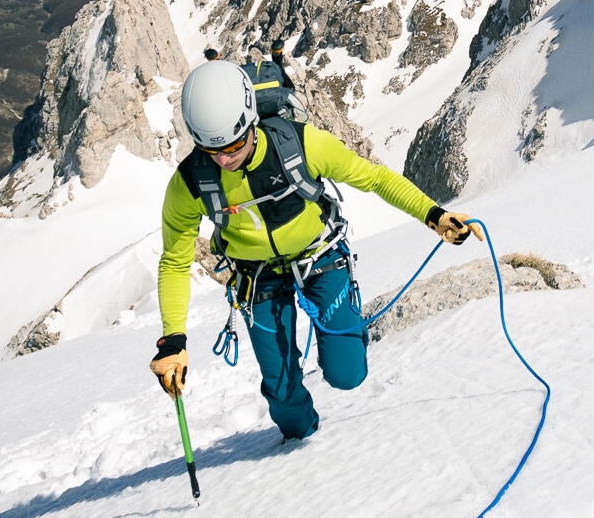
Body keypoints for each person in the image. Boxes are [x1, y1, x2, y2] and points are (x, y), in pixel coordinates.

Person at [150, 53, 477, 444]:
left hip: (320, 255)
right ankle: (304, 442)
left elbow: (373, 178)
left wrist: (433, 215)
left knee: (347, 374)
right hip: (257, 278)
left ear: (251, 121)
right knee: (284, 400)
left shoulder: (300, 145)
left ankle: (340, 344)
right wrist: (173, 340)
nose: (224, 159)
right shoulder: (189, 183)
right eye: (212, 151)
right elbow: (174, 261)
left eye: (233, 146)